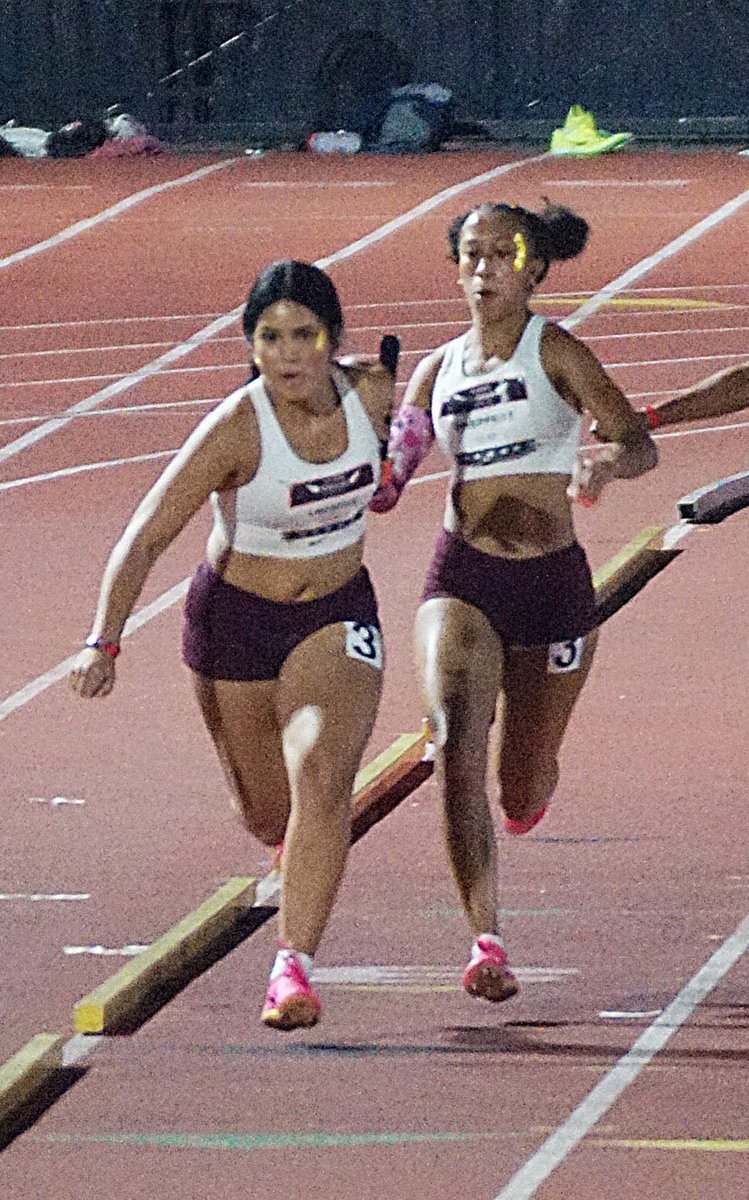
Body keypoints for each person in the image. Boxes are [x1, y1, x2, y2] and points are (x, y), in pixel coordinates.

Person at [68, 260, 397, 1031]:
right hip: (235, 624)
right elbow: (146, 537)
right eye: (269, 338)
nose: (288, 355)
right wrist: (102, 642)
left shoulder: (375, 394)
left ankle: (292, 967)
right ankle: (296, 857)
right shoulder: (234, 429)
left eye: (304, 336)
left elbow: (423, 447)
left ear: (333, 339)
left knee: (322, 775)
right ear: (249, 347)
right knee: (267, 814)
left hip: (337, 614)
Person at [370, 201, 658, 1003]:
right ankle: (484, 940)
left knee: (520, 787)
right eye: (471, 254)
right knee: (453, 744)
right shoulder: (436, 371)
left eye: (504, 253)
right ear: (456, 267)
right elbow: (391, 487)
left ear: (533, 268)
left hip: (553, 586)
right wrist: (370, 456)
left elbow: (640, 441)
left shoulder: (557, 352)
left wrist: (605, 466)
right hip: (462, 578)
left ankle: (528, 789)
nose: (485, 268)